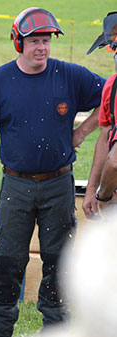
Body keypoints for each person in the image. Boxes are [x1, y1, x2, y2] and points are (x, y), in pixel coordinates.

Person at [0, 8, 105, 337]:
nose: (41, 48)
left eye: (46, 41)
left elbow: (110, 96)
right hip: (16, 186)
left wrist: (82, 131)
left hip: (59, 184)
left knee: (59, 261)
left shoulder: (70, 75)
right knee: (8, 260)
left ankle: (56, 328)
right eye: (34, 42)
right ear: (18, 42)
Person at [82, 12, 117, 218]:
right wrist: (90, 190)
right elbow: (105, 138)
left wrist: (102, 195)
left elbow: (114, 162)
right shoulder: (111, 87)